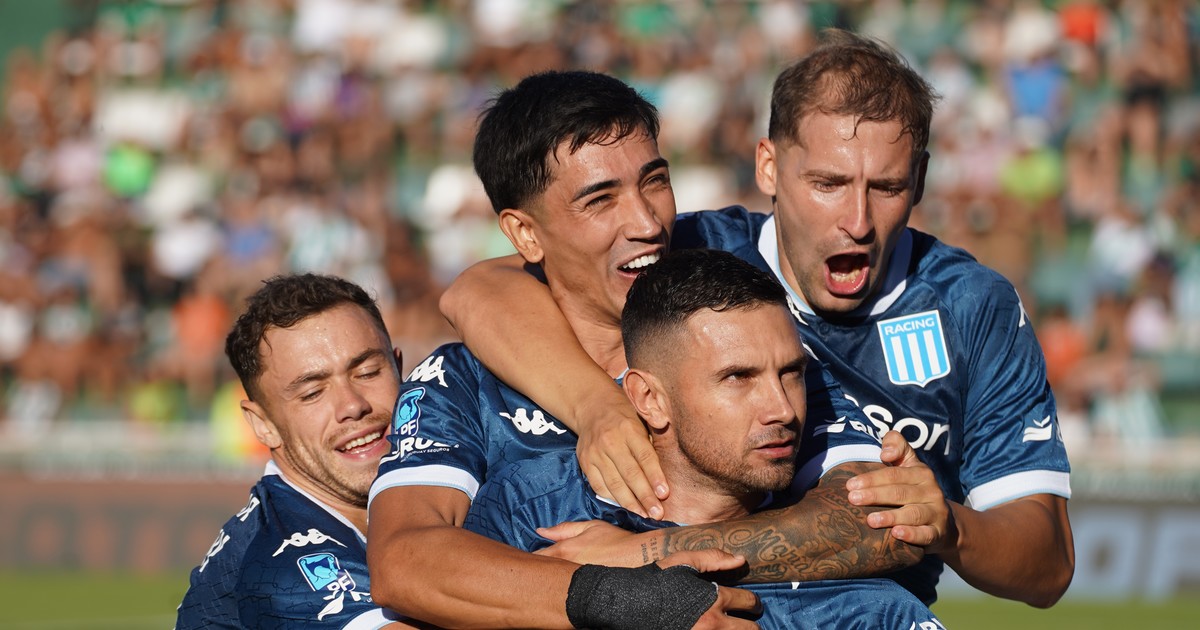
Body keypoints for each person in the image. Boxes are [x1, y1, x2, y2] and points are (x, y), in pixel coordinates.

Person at [441, 29, 1074, 608]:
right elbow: (480, 289)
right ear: (768, 166)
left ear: (921, 179)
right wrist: (595, 408)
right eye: (828, 183)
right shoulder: (692, 252)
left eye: (886, 187)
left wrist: (947, 525)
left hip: (863, 609)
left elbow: (1047, 566)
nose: (857, 221)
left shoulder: (972, 308)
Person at [367, 69, 930, 629]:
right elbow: (405, 563)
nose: (647, 222)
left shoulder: (756, 347)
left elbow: (884, 523)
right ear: (525, 234)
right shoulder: (461, 383)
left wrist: (650, 558)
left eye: (654, 181)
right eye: (600, 199)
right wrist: (626, 599)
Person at [465, 248, 946, 629]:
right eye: (738, 377)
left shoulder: (870, 612)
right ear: (650, 399)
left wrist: (646, 558)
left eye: (791, 373)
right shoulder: (528, 511)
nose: (782, 409)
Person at [176, 274, 413, 629]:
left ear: (400, 370)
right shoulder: (274, 563)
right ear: (263, 425)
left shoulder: (440, 471)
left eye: (367, 372)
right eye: (312, 393)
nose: (352, 405)